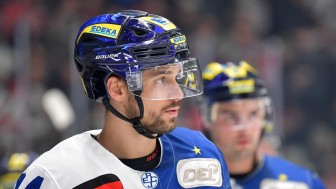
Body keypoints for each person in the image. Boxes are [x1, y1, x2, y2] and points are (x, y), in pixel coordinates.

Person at [14, 10, 231, 188]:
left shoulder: (203, 154)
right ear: (117, 89)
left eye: (177, 77)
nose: (178, 94)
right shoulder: (54, 177)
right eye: (161, 80)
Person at [201, 61, 326, 188]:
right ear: (206, 118)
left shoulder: (302, 183)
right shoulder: (184, 180)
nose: (244, 128)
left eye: (253, 113)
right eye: (230, 116)